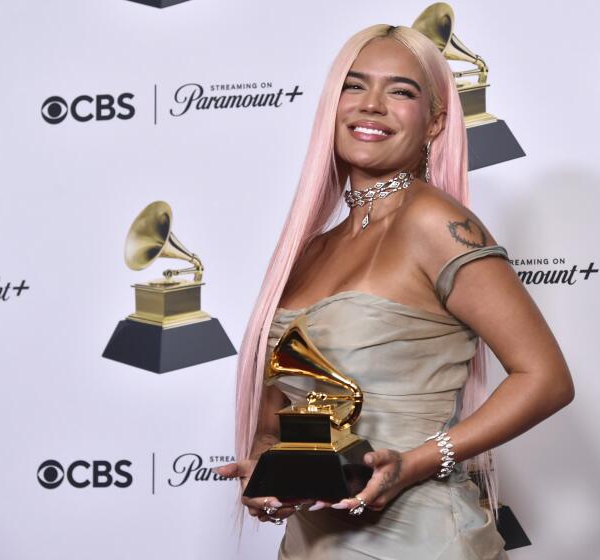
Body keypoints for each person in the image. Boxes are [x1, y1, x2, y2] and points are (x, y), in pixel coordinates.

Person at [215, 23, 574, 560]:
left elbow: (546, 379)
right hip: (311, 546)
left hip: (423, 541)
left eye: (400, 91)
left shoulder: (435, 222)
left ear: (435, 121)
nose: (372, 105)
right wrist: (269, 476)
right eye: (353, 86)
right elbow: (273, 424)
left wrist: (415, 463)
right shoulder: (308, 249)